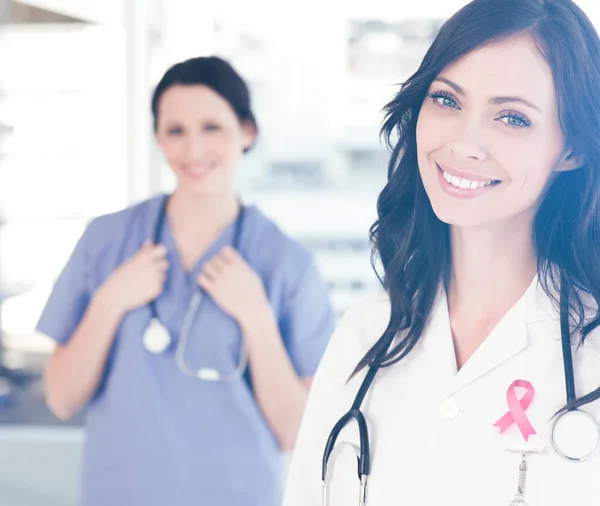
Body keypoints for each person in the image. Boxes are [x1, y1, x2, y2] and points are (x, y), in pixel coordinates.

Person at [282, 1, 600, 504]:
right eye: (447, 100)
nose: (465, 141)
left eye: (513, 117)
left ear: (572, 149)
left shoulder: (592, 353)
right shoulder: (363, 338)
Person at [37, 56, 335, 506]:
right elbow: (60, 398)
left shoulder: (285, 263)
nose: (193, 150)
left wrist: (256, 317)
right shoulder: (108, 240)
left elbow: (296, 432)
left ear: (246, 132)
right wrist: (110, 301)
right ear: (158, 138)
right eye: (175, 131)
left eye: (212, 127)